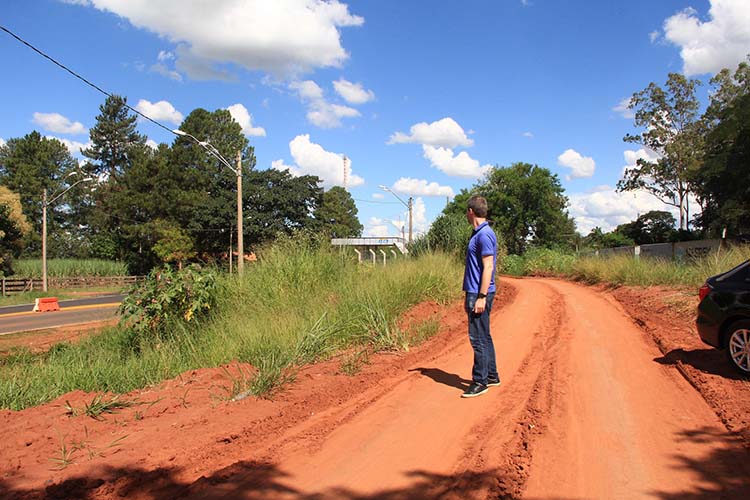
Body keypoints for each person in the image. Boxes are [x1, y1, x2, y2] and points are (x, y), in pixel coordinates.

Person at [461, 195, 499, 398]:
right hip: (477, 290)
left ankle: (480, 381)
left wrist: (482, 296)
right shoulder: (481, 233)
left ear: (470, 211)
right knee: (484, 335)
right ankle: (491, 376)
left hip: (479, 292)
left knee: (478, 338)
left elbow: (489, 266)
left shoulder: (484, 235)